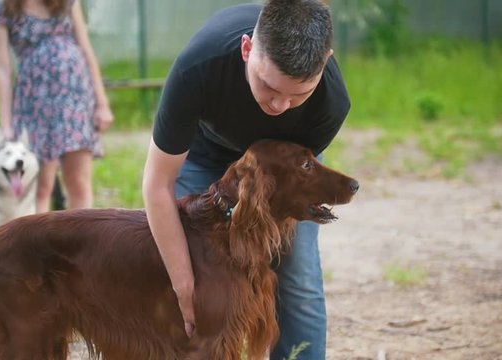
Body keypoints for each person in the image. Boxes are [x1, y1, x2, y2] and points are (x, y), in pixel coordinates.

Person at [142, 0, 350, 358]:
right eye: (269, 87)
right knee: (189, 271)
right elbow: (157, 185)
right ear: (247, 49)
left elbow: (290, 183)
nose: (279, 106)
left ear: (326, 60)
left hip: (280, 169)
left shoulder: (331, 101)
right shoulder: (198, 69)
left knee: (296, 277)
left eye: (299, 93)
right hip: (204, 154)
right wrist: (183, 284)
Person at [0, 0, 114, 212]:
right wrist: (6, 125)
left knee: (79, 183)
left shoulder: (66, 2)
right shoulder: (2, 12)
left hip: (75, 102)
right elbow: (2, 70)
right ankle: (37, 244)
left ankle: (81, 243)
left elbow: (86, 49)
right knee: (39, 186)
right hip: (35, 107)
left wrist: (102, 103)